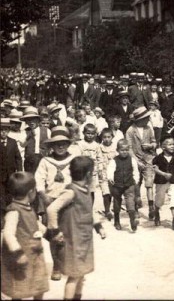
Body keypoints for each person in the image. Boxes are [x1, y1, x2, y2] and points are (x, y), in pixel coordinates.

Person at [46, 156, 107, 300]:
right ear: (87, 175)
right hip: (73, 241)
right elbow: (51, 209)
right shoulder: (71, 192)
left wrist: (98, 226)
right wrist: (55, 231)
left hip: (83, 240)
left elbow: (89, 210)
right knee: (74, 276)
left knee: (81, 274)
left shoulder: (85, 190)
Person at [35, 125, 77, 280]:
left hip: (68, 201)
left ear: (68, 144)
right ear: (51, 145)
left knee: (68, 234)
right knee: (54, 235)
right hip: (51, 201)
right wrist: (42, 194)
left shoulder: (73, 160)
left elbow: (79, 178)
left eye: (64, 143)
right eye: (56, 143)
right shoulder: (45, 161)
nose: (60, 146)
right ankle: (57, 266)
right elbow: (38, 179)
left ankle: (68, 263)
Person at [1, 172, 49, 300]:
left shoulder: (28, 208)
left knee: (39, 285)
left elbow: (34, 223)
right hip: (21, 257)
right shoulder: (14, 211)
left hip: (34, 255)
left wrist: (47, 232)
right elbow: (8, 233)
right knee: (19, 288)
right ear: (31, 192)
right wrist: (18, 253)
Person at [125, 107, 157, 215]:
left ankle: (151, 207)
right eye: (146, 117)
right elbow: (128, 148)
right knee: (136, 183)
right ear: (139, 119)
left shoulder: (148, 128)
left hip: (148, 158)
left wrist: (151, 145)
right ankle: (136, 205)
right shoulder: (130, 130)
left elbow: (154, 142)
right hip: (136, 160)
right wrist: (136, 161)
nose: (148, 119)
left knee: (149, 183)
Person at [106, 140, 140, 231]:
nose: (124, 152)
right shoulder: (114, 161)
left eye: (126, 150)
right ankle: (117, 221)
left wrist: (136, 179)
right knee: (117, 203)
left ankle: (132, 221)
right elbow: (110, 170)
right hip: (117, 185)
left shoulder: (132, 160)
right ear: (117, 150)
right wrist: (110, 178)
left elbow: (135, 170)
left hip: (129, 184)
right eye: (122, 150)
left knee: (130, 202)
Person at [152, 136, 174, 230]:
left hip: (173, 182)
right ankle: (156, 212)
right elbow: (155, 169)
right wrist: (164, 174)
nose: (172, 146)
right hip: (161, 182)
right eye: (169, 144)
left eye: (173, 144)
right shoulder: (158, 158)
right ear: (163, 147)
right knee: (159, 200)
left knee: (173, 199)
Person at [1, 118, 23, 220]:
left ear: (8, 131)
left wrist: (19, 172)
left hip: (10, 174)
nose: (3, 132)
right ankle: (1, 217)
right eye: (1, 130)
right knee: (1, 196)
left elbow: (18, 158)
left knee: (10, 195)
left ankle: (9, 216)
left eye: (5, 130)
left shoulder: (12, 142)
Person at [75, 124, 101, 203]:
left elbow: (99, 158)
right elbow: (78, 157)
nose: (90, 136)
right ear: (83, 133)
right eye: (88, 133)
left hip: (92, 172)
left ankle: (90, 208)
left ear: (95, 134)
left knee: (91, 191)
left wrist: (99, 169)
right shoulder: (80, 144)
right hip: (82, 172)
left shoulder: (96, 145)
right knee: (81, 189)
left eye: (92, 134)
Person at [96, 128, 118, 220]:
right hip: (104, 172)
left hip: (114, 173)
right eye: (104, 137)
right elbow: (99, 160)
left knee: (114, 192)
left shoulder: (115, 147)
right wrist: (100, 171)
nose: (106, 139)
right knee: (106, 192)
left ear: (112, 137)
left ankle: (115, 209)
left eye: (109, 137)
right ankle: (107, 210)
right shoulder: (99, 147)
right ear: (101, 137)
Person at [22, 107, 51, 173]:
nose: (31, 122)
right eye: (29, 120)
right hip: (29, 161)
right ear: (26, 121)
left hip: (43, 159)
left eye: (33, 120)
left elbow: (50, 146)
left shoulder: (47, 131)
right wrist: (29, 136)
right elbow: (22, 146)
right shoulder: (24, 132)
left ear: (38, 120)